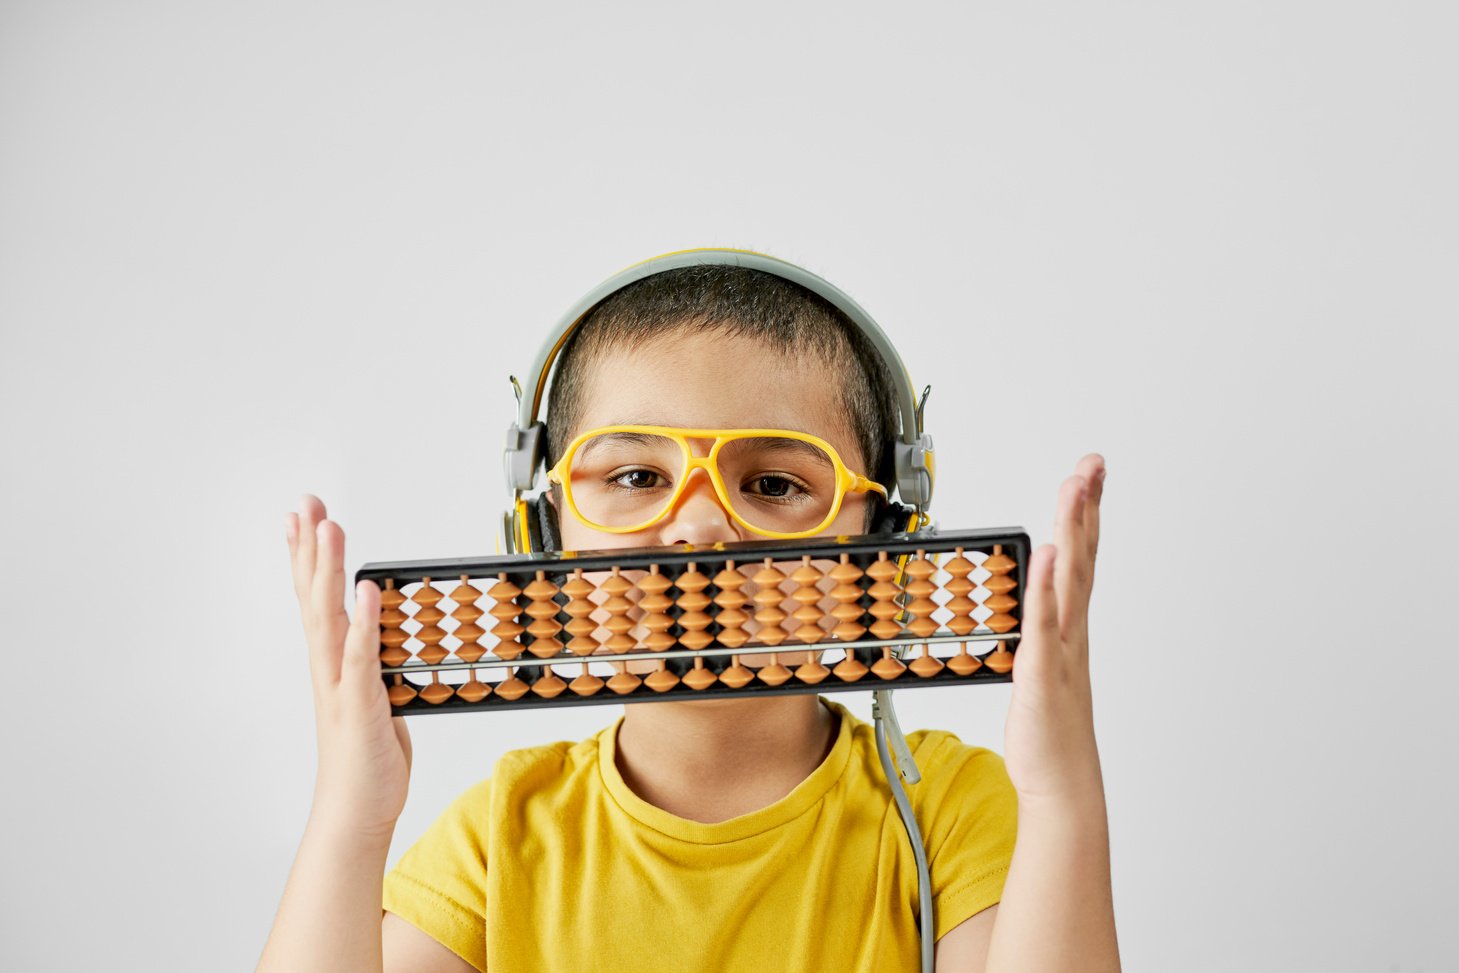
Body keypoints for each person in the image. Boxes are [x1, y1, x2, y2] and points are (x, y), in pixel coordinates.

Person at [257, 261, 1119, 972]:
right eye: (633, 477)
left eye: (775, 484)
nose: (700, 527)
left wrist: (1062, 795)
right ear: (545, 530)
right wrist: (351, 811)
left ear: (881, 537)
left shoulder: (947, 810)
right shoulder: (504, 834)